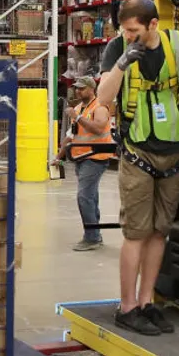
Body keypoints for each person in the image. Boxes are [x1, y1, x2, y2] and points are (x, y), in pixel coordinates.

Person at [96, 0, 179, 336]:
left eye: (134, 30)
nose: (128, 35)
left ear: (152, 24)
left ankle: (147, 302)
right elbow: (103, 98)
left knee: (160, 231)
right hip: (137, 154)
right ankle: (127, 306)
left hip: (173, 153)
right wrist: (122, 63)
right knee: (136, 232)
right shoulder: (118, 47)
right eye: (125, 29)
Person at [54, 77, 114, 251]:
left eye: (81, 88)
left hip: (96, 158)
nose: (77, 91)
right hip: (81, 158)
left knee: (84, 197)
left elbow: (98, 128)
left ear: (91, 89)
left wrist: (77, 117)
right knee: (91, 197)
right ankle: (95, 234)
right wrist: (58, 157)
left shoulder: (100, 107)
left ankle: (92, 237)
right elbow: (70, 136)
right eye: (76, 89)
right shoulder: (80, 108)